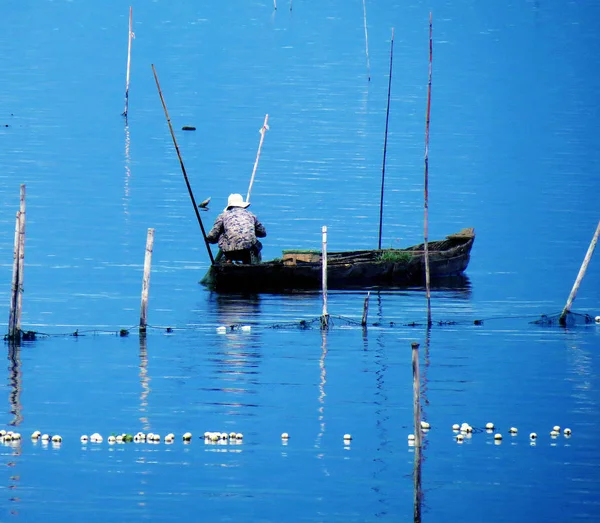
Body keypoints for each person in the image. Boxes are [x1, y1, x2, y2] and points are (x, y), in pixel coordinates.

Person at [207, 193, 267, 264]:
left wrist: (210, 240)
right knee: (256, 245)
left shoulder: (222, 216)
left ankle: (228, 261)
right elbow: (263, 233)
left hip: (229, 251)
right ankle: (254, 265)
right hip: (247, 251)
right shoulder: (251, 215)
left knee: (223, 235)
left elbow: (211, 236)